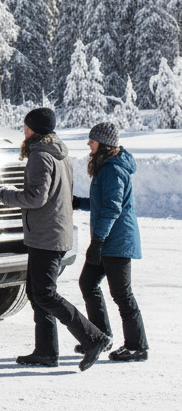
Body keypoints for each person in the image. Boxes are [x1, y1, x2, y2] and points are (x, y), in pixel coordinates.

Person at [0, 107, 112, 371]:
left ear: (34, 129)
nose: (23, 131)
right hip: (52, 232)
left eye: (26, 126)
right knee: (37, 294)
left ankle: (93, 338)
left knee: (45, 294)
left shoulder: (40, 155)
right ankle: (46, 351)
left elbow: (37, 197)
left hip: (47, 235)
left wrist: (7, 195)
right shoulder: (59, 153)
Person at [74, 121, 148, 362]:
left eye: (92, 141)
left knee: (122, 294)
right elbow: (102, 203)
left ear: (104, 145)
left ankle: (137, 346)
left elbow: (112, 209)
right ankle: (100, 336)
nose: (88, 144)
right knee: (88, 282)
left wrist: (97, 242)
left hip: (116, 242)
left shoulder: (113, 170)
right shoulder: (106, 167)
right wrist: (79, 202)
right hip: (107, 241)